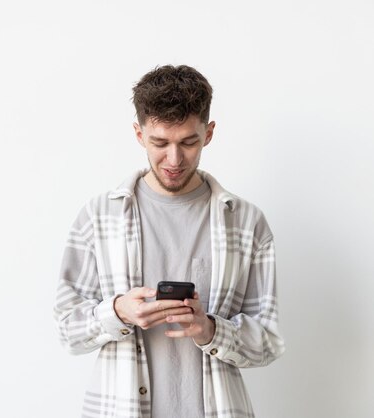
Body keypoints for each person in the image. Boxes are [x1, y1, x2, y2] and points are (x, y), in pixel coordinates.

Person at [53, 65, 285, 418]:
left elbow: (268, 341)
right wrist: (117, 311)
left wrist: (210, 330)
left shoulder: (247, 223)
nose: (174, 160)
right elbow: (67, 328)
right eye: (159, 143)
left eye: (188, 142)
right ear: (138, 134)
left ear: (208, 134)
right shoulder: (99, 217)